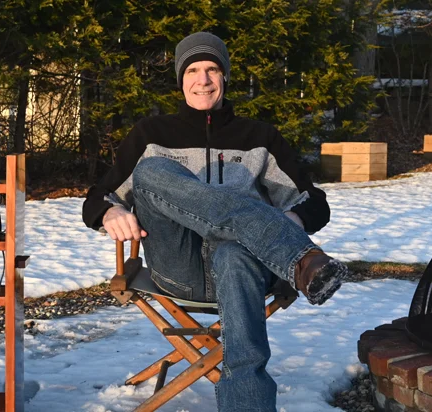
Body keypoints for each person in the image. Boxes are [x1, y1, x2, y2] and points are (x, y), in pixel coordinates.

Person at [82, 31, 349, 412]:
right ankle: (300, 259)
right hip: (178, 265)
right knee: (152, 170)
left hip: (242, 267)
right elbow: (97, 198)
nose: (203, 80)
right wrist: (110, 212)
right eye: (192, 70)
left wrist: (292, 216)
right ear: (180, 78)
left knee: (233, 254)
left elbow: (314, 204)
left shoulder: (260, 138)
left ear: (225, 76)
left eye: (212, 69)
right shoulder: (152, 135)